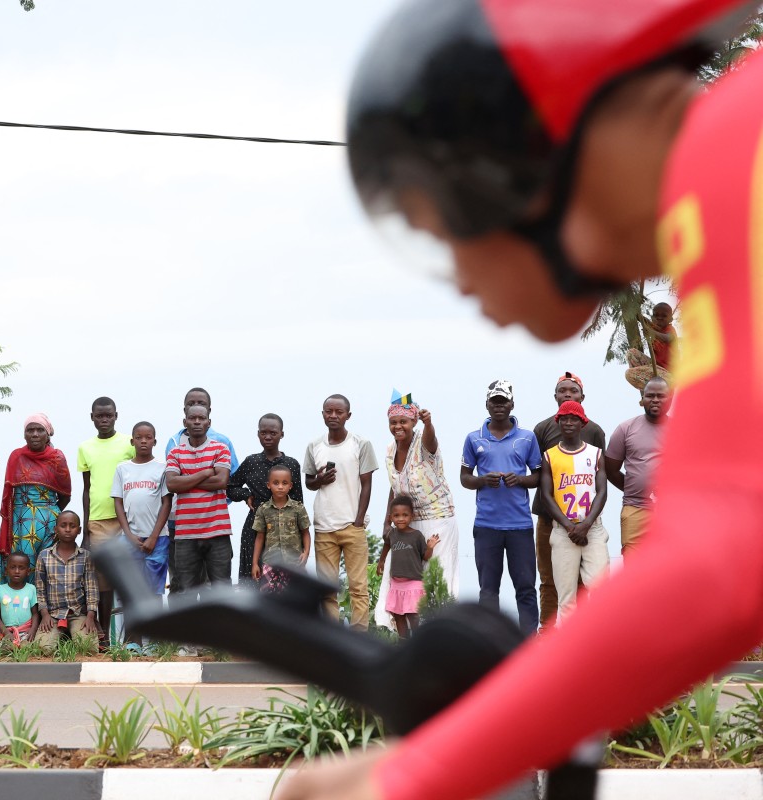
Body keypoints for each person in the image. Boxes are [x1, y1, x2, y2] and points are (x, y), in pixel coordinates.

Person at [276, 4, 757, 798]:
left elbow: (716, 567)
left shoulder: (737, 150)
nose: (463, 284)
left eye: (445, 233)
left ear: (514, 167)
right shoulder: (722, 193)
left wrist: (415, 776)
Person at [460, 381, 542, 636]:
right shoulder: (474, 438)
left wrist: (521, 479)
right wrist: (483, 480)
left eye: (503, 401)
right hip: (487, 525)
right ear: (487, 405)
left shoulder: (527, 438)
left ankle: (528, 641)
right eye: (494, 401)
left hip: (520, 525)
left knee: (525, 587)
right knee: (488, 590)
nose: (499, 406)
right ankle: (490, 642)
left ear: (512, 404)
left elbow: (538, 476)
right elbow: (465, 478)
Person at [530, 373, 606, 629]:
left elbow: (600, 482)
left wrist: (585, 524)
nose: (567, 394)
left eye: (573, 391)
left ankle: (586, 633)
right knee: (551, 578)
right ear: (555, 396)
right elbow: (539, 477)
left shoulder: (594, 432)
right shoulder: (542, 429)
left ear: (582, 397)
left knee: (589, 582)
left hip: (588, 522)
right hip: (551, 519)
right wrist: (567, 525)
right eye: (562, 390)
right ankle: (548, 631)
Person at [376, 398, 458, 632]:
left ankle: (439, 633)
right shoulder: (390, 449)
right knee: (402, 579)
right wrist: (387, 522)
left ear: (413, 422)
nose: (397, 426)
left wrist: (428, 423)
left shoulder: (423, 442)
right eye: (393, 422)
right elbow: (395, 487)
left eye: (403, 421)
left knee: (434, 578)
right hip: (407, 523)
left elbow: (432, 441)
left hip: (436, 519)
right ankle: (409, 638)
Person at [303, 394, 379, 628]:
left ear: (348, 415)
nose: (333, 416)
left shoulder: (361, 444)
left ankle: (359, 638)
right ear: (323, 414)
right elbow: (308, 482)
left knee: (358, 588)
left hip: (351, 526)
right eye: (329, 411)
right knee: (326, 590)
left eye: (339, 412)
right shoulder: (314, 446)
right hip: (324, 526)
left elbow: (367, 484)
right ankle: (331, 639)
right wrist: (320, 479)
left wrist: (358, 520)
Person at [165, 388, 239, 592]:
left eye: (201, 418)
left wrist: (186, 479)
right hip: (185, 533)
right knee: (185, 592)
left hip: (217, 530)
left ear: (209, 422)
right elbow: (172, 485)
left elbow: (222, 481)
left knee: (220, 591)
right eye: (192, 418)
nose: (197, 422)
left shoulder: (221, 448)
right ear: (185, 422)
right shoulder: (175, 452)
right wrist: (206, 472)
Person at [76, 396, 134, 643]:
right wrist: (86, 530)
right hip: (98, 521)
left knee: (130, 577)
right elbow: (86, 489)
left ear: (116, 416)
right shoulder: (85, 448)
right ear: (92, 417)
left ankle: (132, 638)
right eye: (99, 416)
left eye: (108, 415)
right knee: (102, 580)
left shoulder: (129, 444)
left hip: (126, 519)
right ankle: (104, 637)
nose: (104, 420)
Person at [228, 414, 303, 587]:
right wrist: (246, 495)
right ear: (258, 434)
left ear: (281, 434)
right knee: (252, 579)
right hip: (254, 528)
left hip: (285, 529)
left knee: (283, 583)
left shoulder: (292, 464)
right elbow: (230, 487)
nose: (268, 437)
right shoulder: (251, 462)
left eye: (273, 433)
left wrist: (300, 540)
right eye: (263, 433)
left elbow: (298, 502)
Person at [0, 414, 71, 585]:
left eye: (40, 430)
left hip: (49, 524)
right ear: (24, 434)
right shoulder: (17, 456)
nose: (35, 434)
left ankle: (42, 603)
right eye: (30, 430)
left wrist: (44, 515)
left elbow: (65, 495)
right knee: (20, 567)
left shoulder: (57, 458)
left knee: (47, 569)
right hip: (20, 523)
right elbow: (9, 495)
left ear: (48, 434)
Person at [111, 422, 173, 617]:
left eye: (148, 437)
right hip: (130, 539)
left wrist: (153, 537)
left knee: (154, 591)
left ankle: (156, 636)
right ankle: (133, 636)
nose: (143, 441)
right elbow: (118, 503)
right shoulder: (122, 469)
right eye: (139, 438)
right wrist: (129, 535)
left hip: (158, 539)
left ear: (155, 441)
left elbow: (167, 503)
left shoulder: (163, 468)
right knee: (131, 592)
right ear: (132, 441)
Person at [605, 377, 672, 556]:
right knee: (634, 564)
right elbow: (611, 470)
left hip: (671, 511)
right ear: (642, 399)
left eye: (661, 396)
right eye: (650, 396)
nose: (655, 400)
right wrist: (634, 489)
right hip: (635, 508)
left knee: (668, 564)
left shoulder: (681, 430)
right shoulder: (625, 429)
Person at [34, 510, 100, 654]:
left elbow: (91, 588)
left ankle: (72, 637)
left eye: (72, 526)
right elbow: (40, 589)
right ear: (56, 529)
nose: (68, 529)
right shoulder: (44, 556)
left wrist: (91, 616)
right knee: (42, 649)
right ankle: (60, 640)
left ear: (79, 530)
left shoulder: (86, 556)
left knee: (88, 648)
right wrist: (44, 615)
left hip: (78, 614)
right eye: (63, 525)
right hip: (53, 615)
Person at [375, 494, 439, 640]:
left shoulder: (416, 535)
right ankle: (403, 643)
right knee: (398, 615)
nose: (401, 518)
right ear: (391, 517)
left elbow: (425, 557)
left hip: (413, 583)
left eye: (405, 515)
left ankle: (416, 642)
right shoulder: (392, 533)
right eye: (396, 515)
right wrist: (381, 561)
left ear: (412, 516)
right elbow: (387, 545)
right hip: (396, 584)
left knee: (413, 615)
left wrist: (430, 547)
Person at [251, 464, 311, 596]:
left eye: (284, 483)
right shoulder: (263, 509)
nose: (280, 486)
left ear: (290, 485)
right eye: (276, 483)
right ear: (268, 485)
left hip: (294, 563)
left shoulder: (298, 508)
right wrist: (255, 563)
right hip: (270, 563)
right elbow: (259, 537)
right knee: (268, 599)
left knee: (295, 598)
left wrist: (306, 553)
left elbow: (305, 533)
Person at [0, 552, 40, 646]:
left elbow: (35, 614)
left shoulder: (31, 589)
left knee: (26, 647)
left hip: (26, 632)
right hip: (7, 632)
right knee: (6, 648)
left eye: (21, 568)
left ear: (28, 571)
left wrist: (33, 630)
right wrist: (6, 633)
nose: (17, 571)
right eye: (13, 567)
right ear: (6, 570)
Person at [626, 302, 677, 389]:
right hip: (656, 369)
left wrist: (650, 332)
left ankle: (656, 389)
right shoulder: (654, 327)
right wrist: (635, 303)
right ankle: (650, 387)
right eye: (656, 315)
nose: (659, 318)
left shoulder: (670, 329)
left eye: (664, 316)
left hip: (669, 376)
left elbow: (667, 338)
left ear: (671, 319)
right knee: (631, 353)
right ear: (652, 317)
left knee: (630, 374)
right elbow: (641, 319)